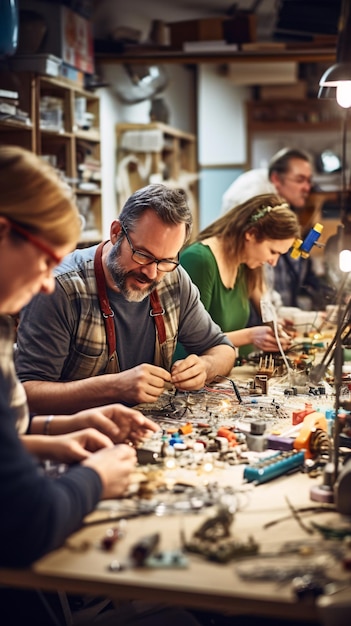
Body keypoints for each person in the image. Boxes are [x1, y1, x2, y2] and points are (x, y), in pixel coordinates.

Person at [0, 146, 201, 626]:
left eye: (164, 262)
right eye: (46, 258)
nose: (47, 282)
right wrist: (96, 478)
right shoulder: (63, 290)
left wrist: (60, 429)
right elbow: (29, 521)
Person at [15, 184, 236, 416]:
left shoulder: (173, 279)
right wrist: (114, 387)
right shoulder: (61, 288)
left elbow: (223, 349)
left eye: (166, 260)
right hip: (77, 438)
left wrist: (205, 368)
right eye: (143, 255)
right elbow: (27, 394)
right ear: (116, 232)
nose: (152, 274)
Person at [175, 194, 301, 359]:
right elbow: (189, 341)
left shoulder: (244, 262)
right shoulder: (200, 260)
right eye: (273, 252)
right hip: (190, 373)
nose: (273, 262)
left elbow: (266, 308)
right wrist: (251, 336)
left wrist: (275, 328)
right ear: (251, 234)